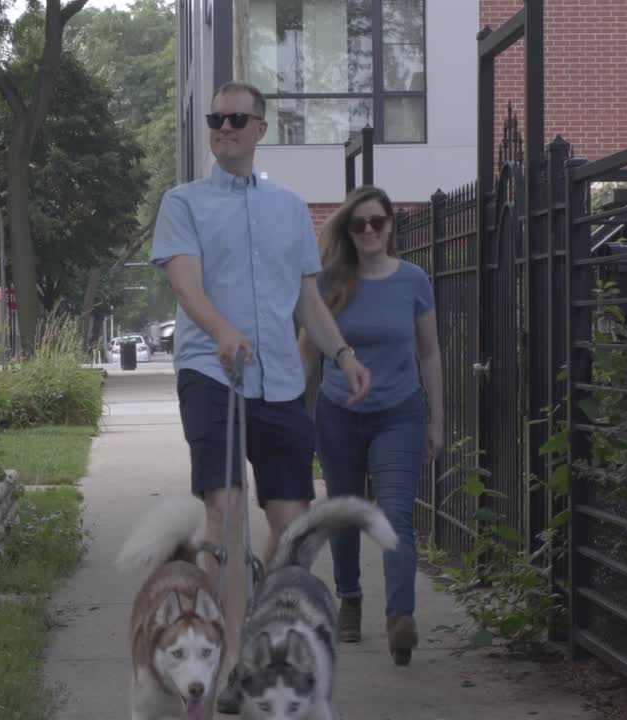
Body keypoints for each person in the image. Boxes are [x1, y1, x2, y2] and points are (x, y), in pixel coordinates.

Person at [150, 80, 373, 714]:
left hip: (277, 378)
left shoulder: (290, 209)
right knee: (226, 513)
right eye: (216, 119)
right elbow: (187, 286)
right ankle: (230, 663)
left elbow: (308, 301)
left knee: (293, 527)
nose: (223, 127)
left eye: (236, 119)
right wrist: (222, 331)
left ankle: (253, 610)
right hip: (210, 370)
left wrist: (344, 356)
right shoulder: (182, 202)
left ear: (259, 129)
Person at [299, 185, 444, 667]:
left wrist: (437, 419)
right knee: (345, 510)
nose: (368, 232)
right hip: (338, 414)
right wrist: (297, 412)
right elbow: (307, 348)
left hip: (400, 413)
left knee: (396, 515)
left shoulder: (414, 280)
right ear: (348, 230)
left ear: (390, 226)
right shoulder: (328, 281)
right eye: (358, 224)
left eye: (376, 223)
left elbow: (429, 352)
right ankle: (350, 596)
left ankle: (400, 616)